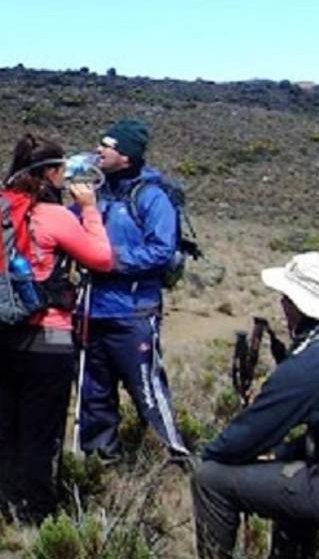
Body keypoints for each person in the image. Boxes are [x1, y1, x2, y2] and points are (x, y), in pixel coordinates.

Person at [193, 253, 319, 559]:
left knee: (209, 480)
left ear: (300, 305)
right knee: (285, 469)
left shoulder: (310, 365)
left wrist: (208, 456)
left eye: (286, 299)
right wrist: (282, 453)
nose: (282, 306)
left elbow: (241, 440)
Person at [0, 136, 112, 523]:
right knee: (41, 431)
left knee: (6, 425)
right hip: (48, 337)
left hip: (0, 335)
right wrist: (88, 210)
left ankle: (4, 505)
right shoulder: (56, 216)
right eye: (61, 171)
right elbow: (101, 259)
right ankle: (37, 516)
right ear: (50, 173)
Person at [78, 119, 191, 460]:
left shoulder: (151, 197)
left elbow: (161, 251)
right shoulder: (93, 193)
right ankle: (101, 460)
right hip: (91, 310)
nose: (99, 150)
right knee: (93, 393)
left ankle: (174, 457)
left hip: (133, 312)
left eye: (107, 146)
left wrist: (109, 259)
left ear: (126, 156)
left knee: (147, 388)